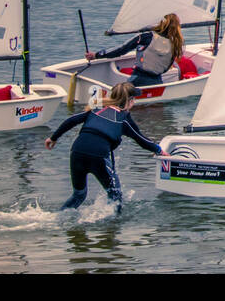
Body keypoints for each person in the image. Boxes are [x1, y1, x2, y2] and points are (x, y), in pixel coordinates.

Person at [44, 82, 162, 213]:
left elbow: (71, 120)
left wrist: (53, 138)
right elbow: (141, 139)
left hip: (77, 152)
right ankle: (112, 230)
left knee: (79, 195)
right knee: (115, 197)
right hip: (98, 156)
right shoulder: (124, 119)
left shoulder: (96, 109)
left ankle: (56, 218)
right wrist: (159, 150)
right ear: (130, 101)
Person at [88, 13, 186, 87]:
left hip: (138, 80)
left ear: (160, 23)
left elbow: (121, 49)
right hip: (157, 83)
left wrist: (96, 55)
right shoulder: (176, 44)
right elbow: (167, 67)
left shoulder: (146, 37)